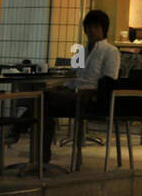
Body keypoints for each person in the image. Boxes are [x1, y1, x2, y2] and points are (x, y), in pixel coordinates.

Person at [41, 10, 121, 164]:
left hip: (90, 98)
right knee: (43, 100)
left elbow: (109, 81)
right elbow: (72, 78)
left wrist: (86, 91)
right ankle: (41, 152)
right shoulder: (81, 52)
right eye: (89, 27)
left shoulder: (111, 51)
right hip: (74, 95)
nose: (91, 30)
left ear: (104, 29)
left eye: (96, 27)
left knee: (44, 101)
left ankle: (19, 132)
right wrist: (62, 87)